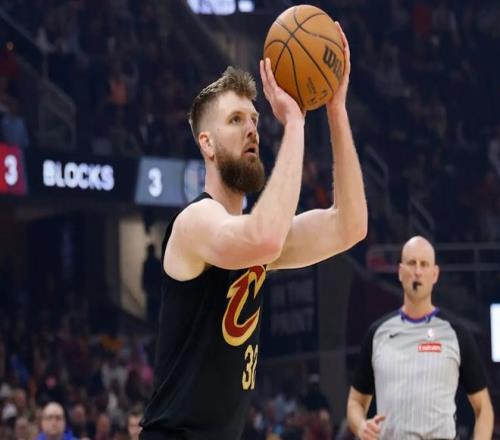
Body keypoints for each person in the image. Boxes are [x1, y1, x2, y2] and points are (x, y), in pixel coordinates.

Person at [140, 22, 367, 440]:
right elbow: (266, 238)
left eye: (255, 120)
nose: (252, 129)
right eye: (235, 120)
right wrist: (295, 124)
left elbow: (349, 226)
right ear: (207, 144)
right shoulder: (195, 223)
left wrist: (336, 110)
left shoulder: (256, 239)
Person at [346, 236, 494, 440]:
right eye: (411, 263)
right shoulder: (377, 333)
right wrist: (361, 426)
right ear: (400, 271)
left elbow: (484, 409)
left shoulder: (456, 333)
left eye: (424, 264)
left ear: (435, 274)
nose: (417, 271)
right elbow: (355, 402)